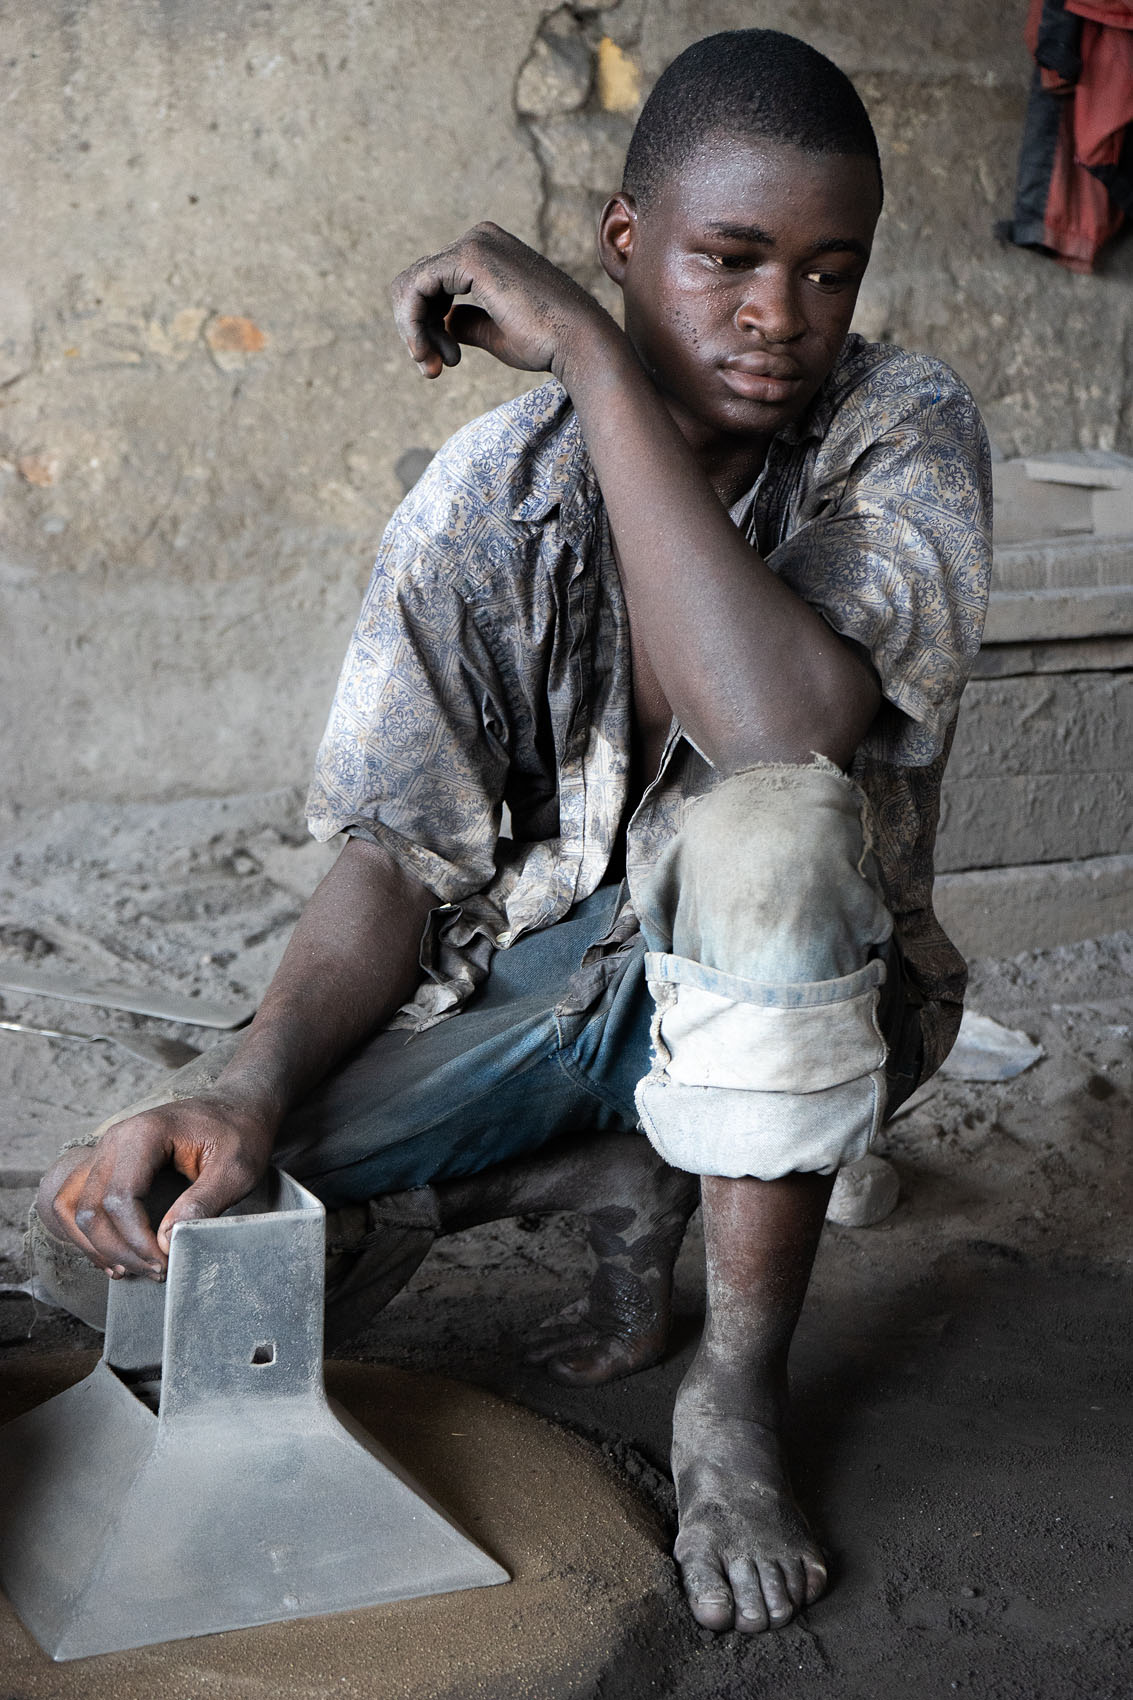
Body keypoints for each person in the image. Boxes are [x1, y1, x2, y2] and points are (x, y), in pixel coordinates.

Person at [32, 30, 991, 1636]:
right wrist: (243, 1091)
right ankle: (607, 1182)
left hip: (807, 1000)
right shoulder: (489, 496)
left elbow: (773, 734)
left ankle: (734, 1399)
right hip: (549, 997)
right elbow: (391, 856)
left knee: (767, 832)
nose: (779, 316)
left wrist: (599, 364)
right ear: (625, 245)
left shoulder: (897, 431)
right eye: (730, 259)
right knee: (167, 1251)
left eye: (829, 272)